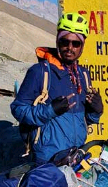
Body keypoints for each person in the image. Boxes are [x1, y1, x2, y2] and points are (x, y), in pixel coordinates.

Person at [11, 12, 103, 164]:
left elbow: (83, 120)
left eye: (76, 43)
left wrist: (97, 111)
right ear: (57, 41)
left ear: (82, 46)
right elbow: (18, 109)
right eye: (64, 42)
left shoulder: (83, 75)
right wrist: (50, 111)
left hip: (76, 155)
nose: (70, 47)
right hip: (48, 158)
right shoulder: (40, 72)